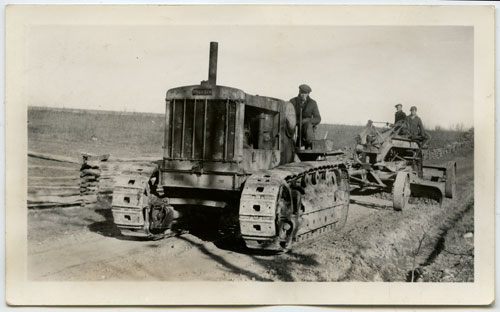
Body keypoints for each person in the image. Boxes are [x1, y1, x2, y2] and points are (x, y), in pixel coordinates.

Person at [290, 84, 321, 149]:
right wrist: (297, 122)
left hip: (307, 127)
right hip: (295, 125)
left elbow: (318, 118)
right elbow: (288, 115)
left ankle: (310, 145)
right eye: (302, 93)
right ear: (299, 92)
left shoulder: (312, 103)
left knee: (307, 126)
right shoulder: (293, 101)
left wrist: (308, 120)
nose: (303, 95)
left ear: (308, 94)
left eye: (305, 93)